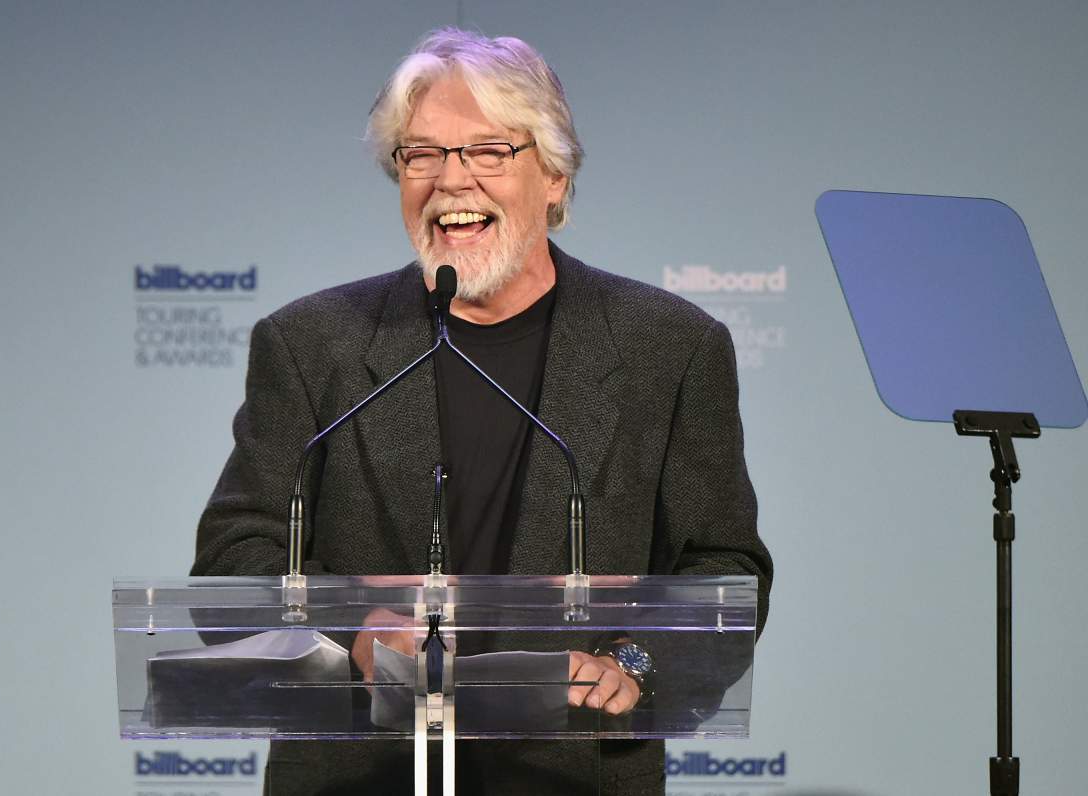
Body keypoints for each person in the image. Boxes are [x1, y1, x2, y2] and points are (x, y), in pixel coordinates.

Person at [192, 27, 772, 795]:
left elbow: (723, 569)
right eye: (420, 154)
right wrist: (357, 631)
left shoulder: (671, 348)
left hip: (572, 773)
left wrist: (632, 663)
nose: (450, 181)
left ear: (555, 176)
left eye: (489, 152)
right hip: (356, 773)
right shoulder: (312, 344)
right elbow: (236, 560)